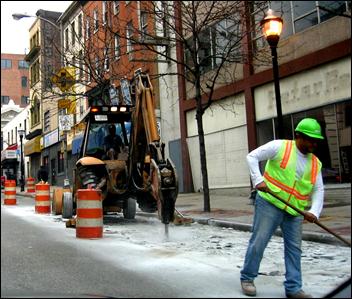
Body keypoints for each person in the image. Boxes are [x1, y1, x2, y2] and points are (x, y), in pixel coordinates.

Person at [240, 118, 325, 298]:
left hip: (294, 211)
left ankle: (293, 288)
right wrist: (258, 180)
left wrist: (314, 212)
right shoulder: (280, 147)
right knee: (259, 241)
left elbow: (318, 190)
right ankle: (247, 278)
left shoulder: (316, 163)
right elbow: (252, 157)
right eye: (309, 139)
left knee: (294, 249)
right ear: (298, 136)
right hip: (269, 202)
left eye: (315, 140)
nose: (313, 143)